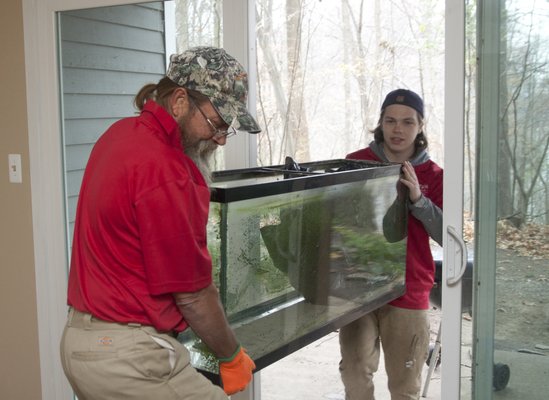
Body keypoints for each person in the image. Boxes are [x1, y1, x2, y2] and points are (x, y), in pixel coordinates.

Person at [60, 46, 260, 400]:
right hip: (127, 355)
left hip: (84, 343)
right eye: (217, 122)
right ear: (180, 100)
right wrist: (231, 356)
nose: (222, 137)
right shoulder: (165, 169)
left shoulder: (120, 134)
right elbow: (193, 295)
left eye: (229, 127)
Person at [339, 89, 443, 399]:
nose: (398, 129)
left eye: (407, 122)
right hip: (360, 286)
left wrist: (418, 200)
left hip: (409, 288)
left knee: (404, 385)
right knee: (354, 375)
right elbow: (337, 222)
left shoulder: (434, 175)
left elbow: (444, 234)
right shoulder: (354, 162)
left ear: (420, 126)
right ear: (381, 123)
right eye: (390, 121)